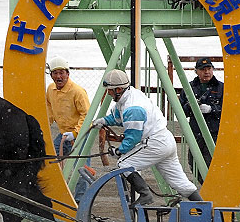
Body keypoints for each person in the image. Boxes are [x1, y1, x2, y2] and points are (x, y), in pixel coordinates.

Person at [92, 69, 203, 206]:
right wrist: (104, 121)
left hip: (155, 143)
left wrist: (120, 151)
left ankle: (146, 195)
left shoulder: (132, 107)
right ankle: (205, 211)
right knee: (180, 182)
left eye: (110, 90)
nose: (108, 93)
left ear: (118, 89)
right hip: (166, 140)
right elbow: (118, 117)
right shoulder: (131, 95)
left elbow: (133, 137)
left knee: (124, 164)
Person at [45, 55, 91, 202]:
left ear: (67, 74)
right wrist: (45, 125)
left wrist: (76, 132)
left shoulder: (77, 92)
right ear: (51, 75)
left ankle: (80, 202)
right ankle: (53, 196)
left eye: (61, 73)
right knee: (50, 161)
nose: (59, 76)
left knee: (81, 170)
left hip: (81, 135)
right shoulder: (51, 89)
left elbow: (87, 115)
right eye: (55, 73)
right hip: (64, 134)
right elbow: (49, 109)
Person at [179, 58, 224, 182]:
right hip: (196, 132)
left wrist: (212, 109)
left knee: (212, 163)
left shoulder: (221, 88)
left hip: (214, 133)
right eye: (203, 69)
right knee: (193, 162)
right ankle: (206, 187)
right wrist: (190, 106)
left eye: (209, 69)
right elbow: (181, 110)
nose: (206, 72)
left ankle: (212, 190)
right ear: (196, 71)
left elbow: (228, 109)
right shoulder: (189, 88)